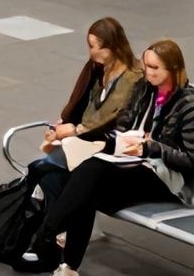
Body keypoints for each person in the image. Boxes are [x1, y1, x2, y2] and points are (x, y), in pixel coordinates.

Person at [34, 39, 194, 276]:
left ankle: (48, 230)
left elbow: (192, 160)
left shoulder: (190, 105)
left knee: (91, 171)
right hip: (128, 165)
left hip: (161, 177)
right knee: (87, 188)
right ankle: (68, 269)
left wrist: (151, 147)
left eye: (155, 68)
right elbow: (124, 127)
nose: (148, 72)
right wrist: (110, 141)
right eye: (146, 66)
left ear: (173, 69)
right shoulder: (143, 89)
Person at [24, 18, 144, 212]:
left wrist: (73, 130)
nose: (91, 52)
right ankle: (51, 220)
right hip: (92, 138)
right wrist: (64, 126)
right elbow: (88, 108)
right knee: (50, 173)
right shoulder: (102, 70)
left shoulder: (132, 77)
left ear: (111, 48)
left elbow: (108, 115)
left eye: (94, 47)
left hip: (112, 144)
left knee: (46, 168)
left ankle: (48, 220)